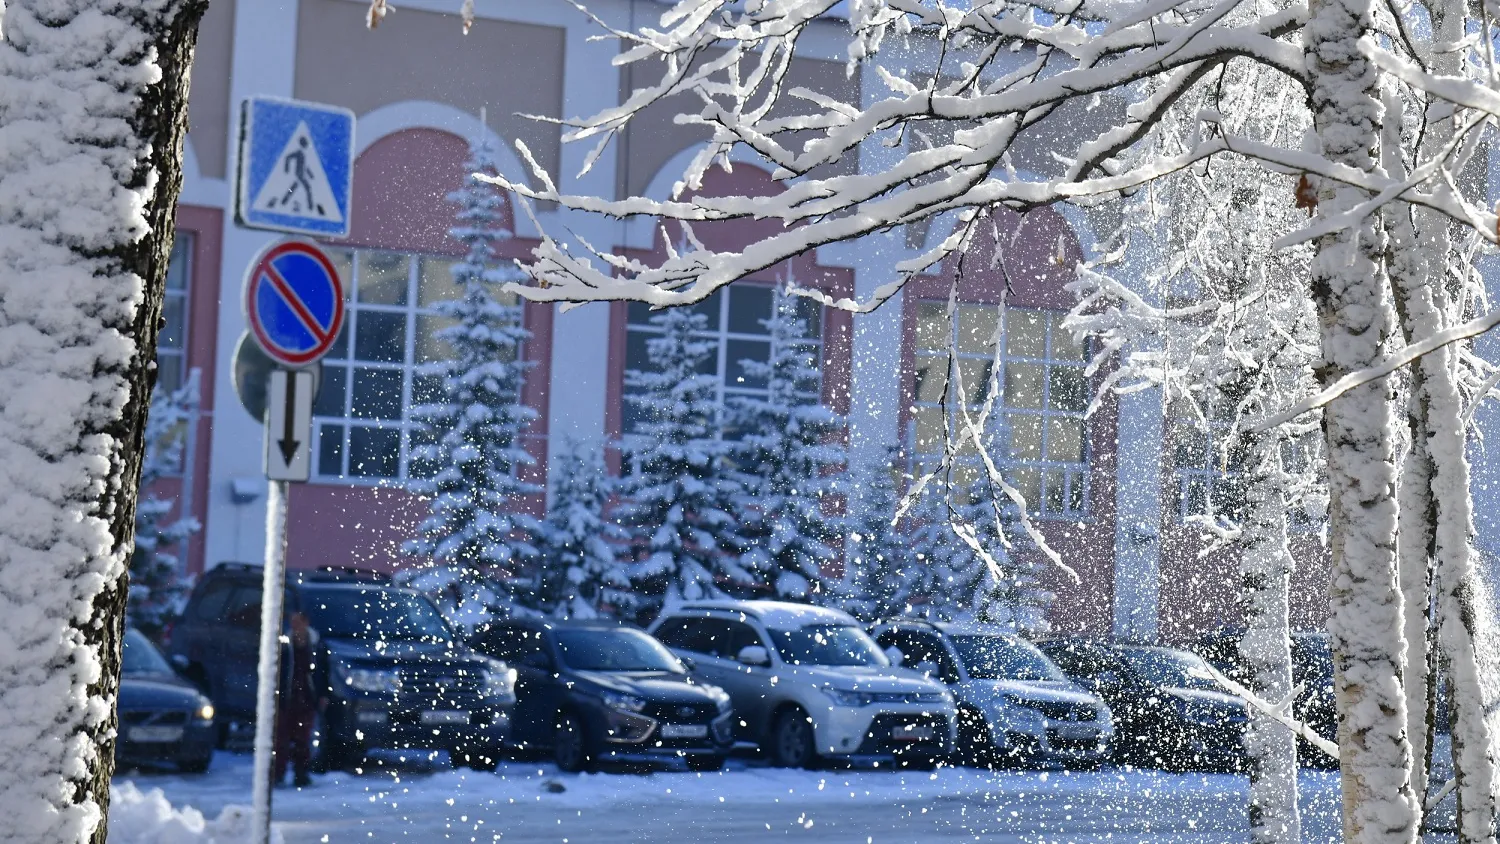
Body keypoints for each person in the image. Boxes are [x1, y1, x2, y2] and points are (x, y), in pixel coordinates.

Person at [275, 610, 326, 788]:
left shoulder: (316, 645)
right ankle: (278, 773)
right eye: (293, 622)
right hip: (287, 697)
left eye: (298, 622)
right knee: (281, 738)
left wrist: (322, 694)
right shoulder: (285, 646)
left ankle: (301, 773)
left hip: (306, 697)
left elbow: (322, 672)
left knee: (303, 739)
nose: (295, 627)